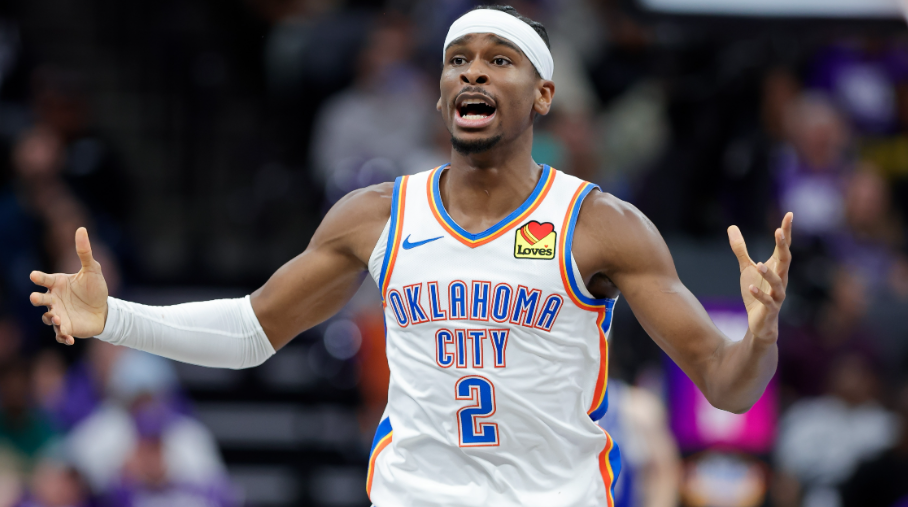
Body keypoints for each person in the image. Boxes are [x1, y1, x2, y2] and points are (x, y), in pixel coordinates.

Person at [26, 5, 793, 506]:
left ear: (544, 94)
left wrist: (759, 336)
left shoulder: (600, 224)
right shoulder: (377, 215)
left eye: (500, 59)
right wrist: (114, 318)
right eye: (459, 59)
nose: (474, 70)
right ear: (440, 91)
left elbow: (727, 386)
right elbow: (252, 330)